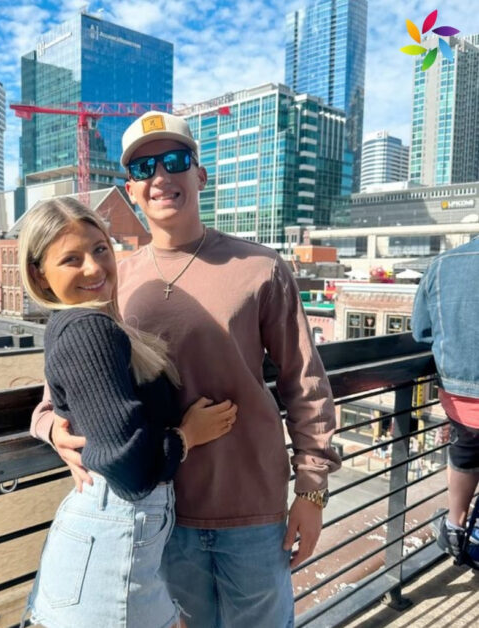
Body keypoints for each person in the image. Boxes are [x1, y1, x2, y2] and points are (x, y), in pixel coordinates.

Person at [32, 112, 341, 627]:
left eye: (175, 160)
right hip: (160, 516)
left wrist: (311, 490)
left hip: (252, 509)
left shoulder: (261, 268)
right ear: (132, 190)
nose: (160, 176)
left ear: (200, 174)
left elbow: (305, 384)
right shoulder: (109, 279)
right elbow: (56, 393)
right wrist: (51, 431)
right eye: (143, 167)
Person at [19, 197, 237, 628]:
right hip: (113, 539)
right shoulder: (89, 331)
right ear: (40, 275)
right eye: (71, 259)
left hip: (112, 536)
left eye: (100, 249)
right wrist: (188, 435)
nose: (94, 268)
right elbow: (131, 470)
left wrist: (49, 425)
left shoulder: (86, 326)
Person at [412, 236, 479, 560]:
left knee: (465, 451)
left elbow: (420, 332)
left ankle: (454, 526)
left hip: (461, 399)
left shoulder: (442, 265)